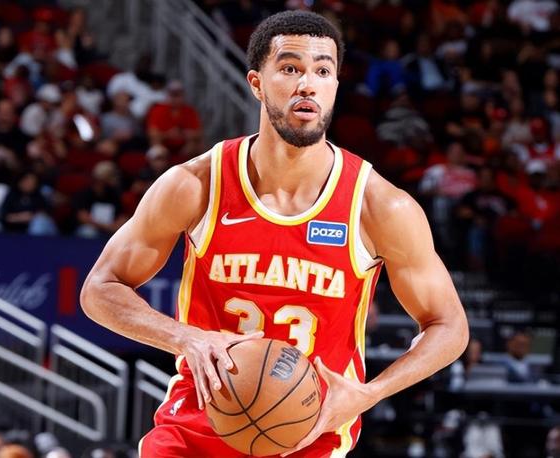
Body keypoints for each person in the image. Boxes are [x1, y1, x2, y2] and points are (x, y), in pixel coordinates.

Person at [81, 11, 468, 457]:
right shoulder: (196, 185)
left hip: (310, 436)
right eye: (290, 68)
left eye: (322, 71)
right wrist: (187, 338)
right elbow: (100, 289)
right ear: (256, 83)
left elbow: (450, 327)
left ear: (335, 85)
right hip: (195, 429)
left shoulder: (379, 206)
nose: (307, 84)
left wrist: (370, 393)